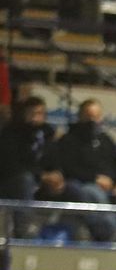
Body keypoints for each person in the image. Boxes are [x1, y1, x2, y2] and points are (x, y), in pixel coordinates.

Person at [50, 99, 116, 241]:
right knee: (93, 192)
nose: (93, 120)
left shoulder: (106, 139)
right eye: (89, 116)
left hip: (109, 186)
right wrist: (94, 178)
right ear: (80, 116)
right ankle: (114, 234)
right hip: (81, 184)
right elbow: (68, 168)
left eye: (96, 116)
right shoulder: (69, 139)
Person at [0, 96, 77, 238]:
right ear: (24, 114)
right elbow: (12, 164)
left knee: (74, 188)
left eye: (40, 113)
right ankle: (24, 228)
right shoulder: (11, 133)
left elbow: (55, 158)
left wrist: (57, 174)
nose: (36, 117)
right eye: (32, 113)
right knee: (25, 180)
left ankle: (76, 233)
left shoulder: (48, 134)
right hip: (13, 181)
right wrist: (41, 175)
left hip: (43, 181)